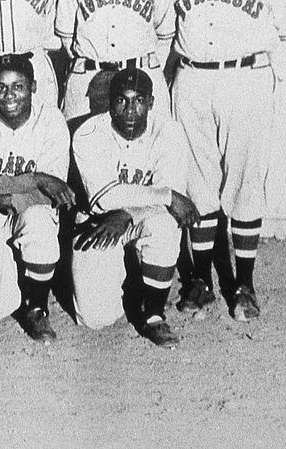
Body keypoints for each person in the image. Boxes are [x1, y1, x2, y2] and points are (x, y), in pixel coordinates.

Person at [171, 0, 286, 321]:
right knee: (197, 180)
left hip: (246, 77)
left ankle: (243, 284)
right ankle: (200, 280)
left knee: (243, 183)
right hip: (192, 78)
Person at [70, 68, 198, 347]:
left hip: (139, 218)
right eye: (121, 100)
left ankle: (153, 315)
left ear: (151, 103)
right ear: (109, 102)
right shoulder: (89, 133)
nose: (130, 110)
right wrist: (164, 195)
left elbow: (173, 206)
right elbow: (103, 199)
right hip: (98, 222)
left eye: (139, 100)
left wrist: (128, 213)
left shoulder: (169, 131)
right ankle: (131, 278)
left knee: (165, 226)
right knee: (95, 318)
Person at [0, 55, 73, 342]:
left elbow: (51, 196)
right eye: (1, 88)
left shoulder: (51, 120)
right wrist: (37, 179)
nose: (9, 96)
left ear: (33, 86)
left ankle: (38, 307)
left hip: (24, 210)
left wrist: (0, 197)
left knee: (40, 218)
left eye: (18, 86)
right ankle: (15, 276)